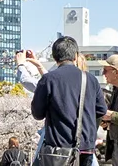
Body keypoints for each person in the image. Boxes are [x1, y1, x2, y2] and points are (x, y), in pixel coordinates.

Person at [29, 36, 107, 166]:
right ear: (75, 56)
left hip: (58, 150)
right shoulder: (90, 79)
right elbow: (101, 110)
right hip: (85, 148)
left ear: (55, 57)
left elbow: (37, 114)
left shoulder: (49, 79)